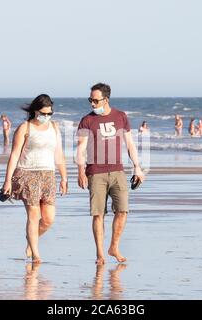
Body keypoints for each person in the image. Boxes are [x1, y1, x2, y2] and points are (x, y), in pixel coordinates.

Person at [77, 83, 145, 265]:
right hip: (95, 173)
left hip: (117, 171)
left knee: (122, 210)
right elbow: (81, 148)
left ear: (106, 99)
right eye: (90, 100)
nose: (92, 103)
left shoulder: (120, 116)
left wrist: (137, 167)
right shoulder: (87, 120)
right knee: (98, 214)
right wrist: (80, 170)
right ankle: (100, 253)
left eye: (95, 100)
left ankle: (114, 247)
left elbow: (130, 144)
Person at [2, 94, 68, 264]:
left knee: (48, 219)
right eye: (43, 113)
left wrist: (64, 177)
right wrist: (8, 181)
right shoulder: (25, 128)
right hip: (27, 173)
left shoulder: (54, 127)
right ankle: (36, 255)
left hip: (48, 174)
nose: (46, 117)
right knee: (33, 215)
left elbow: (59, 153)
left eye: (49, 114)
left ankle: (31, 239)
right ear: (35, 111)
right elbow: (15, 154)